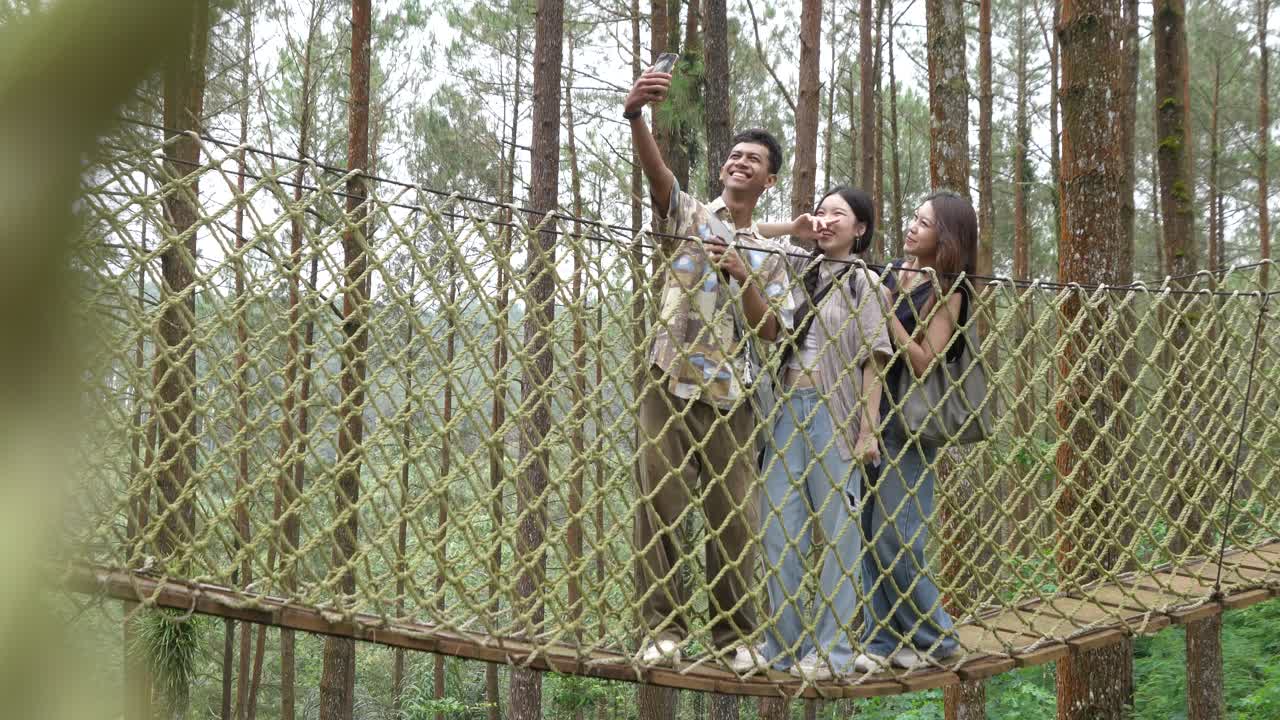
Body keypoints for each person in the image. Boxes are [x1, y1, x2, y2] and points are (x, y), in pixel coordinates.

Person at [623, 66, 796, 673]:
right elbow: (660, 178)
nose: (740, 162)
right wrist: (636, 117)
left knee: (735, 518)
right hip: (668, 377)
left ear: (769, 180)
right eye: (734, 156)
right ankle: (663, 628)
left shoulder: (775, 253)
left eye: (754, 159)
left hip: (732, 391)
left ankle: (735, 635)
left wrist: (743, 276)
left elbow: (772, 330)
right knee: (660, 504)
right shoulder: (693, 215)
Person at [754, 187, 892, 680]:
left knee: (839, 537)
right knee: (778, 531)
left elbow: (875, 358)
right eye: (823, 211)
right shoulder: (799, 265)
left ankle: (831, 653)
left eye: (840, 214)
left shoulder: (867, 284)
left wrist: (868, 430)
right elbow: (745, 236)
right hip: (787, 410)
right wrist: (794, 229)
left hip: (837, 414)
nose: (827, 220)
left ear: (860, 229)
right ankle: (781, 648)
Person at [857, 189, 977, 672]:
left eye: (925, 223)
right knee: (868, 537)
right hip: (867, 418)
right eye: (913, 217)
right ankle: (884, 641)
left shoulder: (952, 290)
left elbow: (926, 362)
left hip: (909, 426)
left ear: (946, 237)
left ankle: (937, 637)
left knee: (896, 538)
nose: (912, 227)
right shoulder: (889, 271)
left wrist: (887, 311)